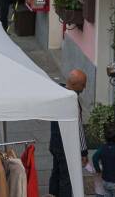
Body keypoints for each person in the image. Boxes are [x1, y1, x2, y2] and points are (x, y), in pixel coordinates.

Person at [49, 69, 88, 197]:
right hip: (67, 145)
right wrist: (83, 151)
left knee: (56, 172)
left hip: (55, 143)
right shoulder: (72, 100)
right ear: (75, 85)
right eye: (83, 84)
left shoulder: (57, 92)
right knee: (67, 178)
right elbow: (79, 129)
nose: (84, 87)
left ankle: (52, 194)